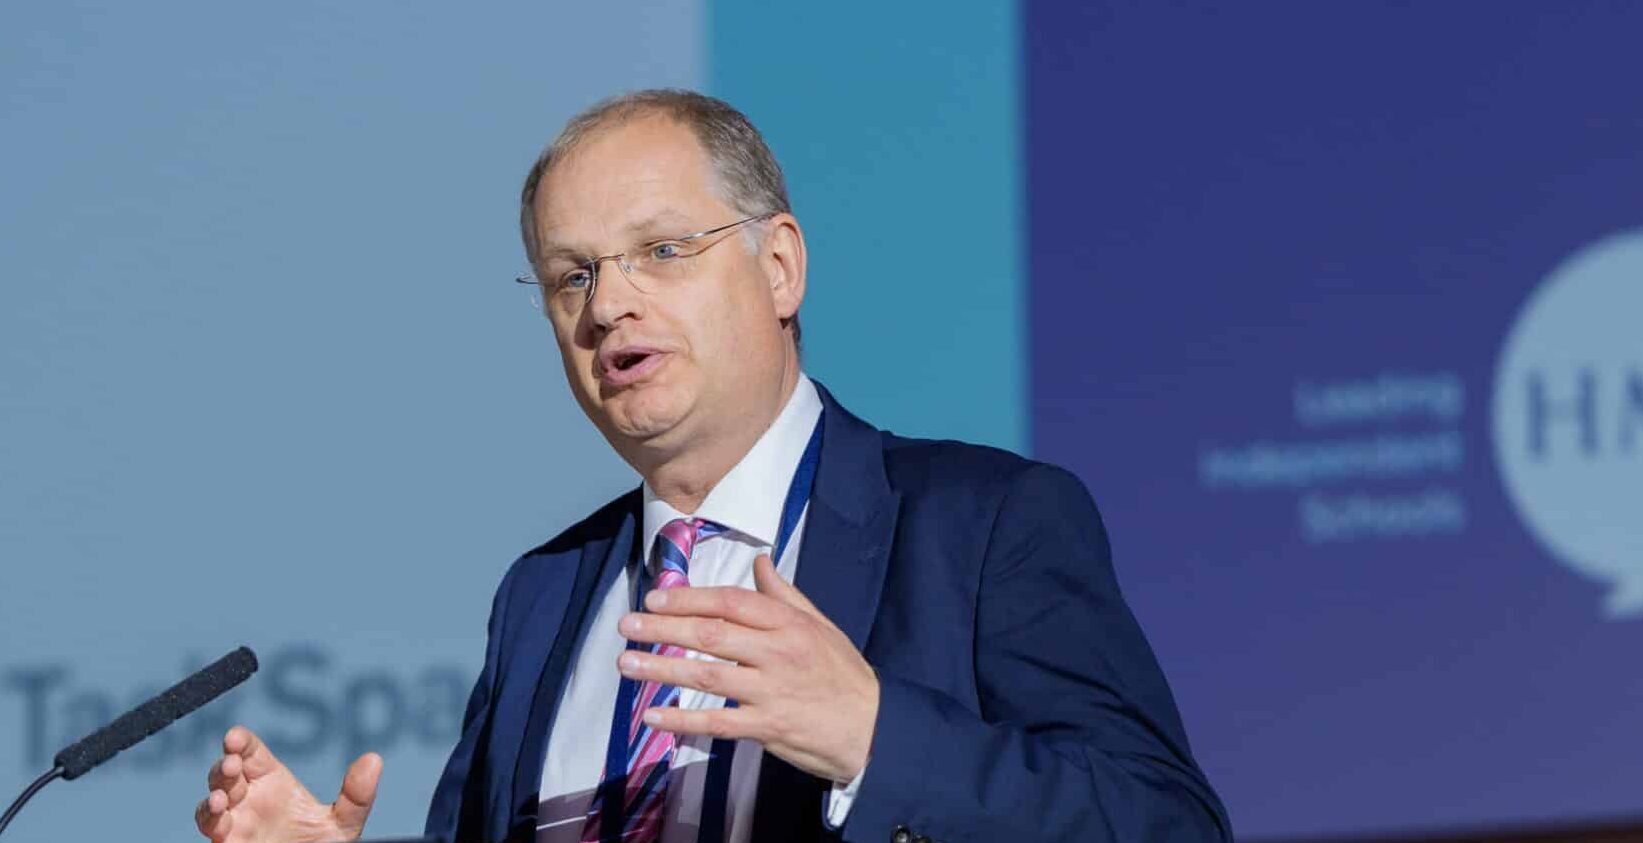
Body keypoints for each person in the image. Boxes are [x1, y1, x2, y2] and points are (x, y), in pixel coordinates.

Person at [192, 89, 1232, 843]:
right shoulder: (541, 594)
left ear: (778, 267)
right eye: (570, 276)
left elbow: (1165, 826)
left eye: (660, 251)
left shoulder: (984, 522)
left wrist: (874, 737)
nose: (606, 306)